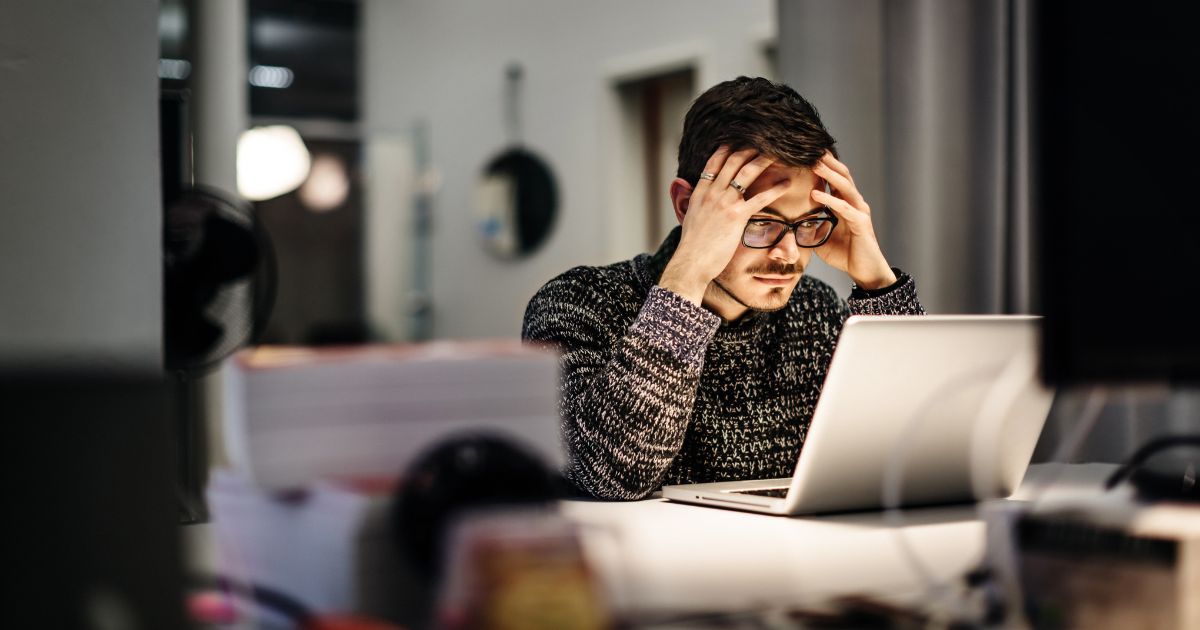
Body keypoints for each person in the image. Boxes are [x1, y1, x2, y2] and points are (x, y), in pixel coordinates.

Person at [521, 76, 924, 500]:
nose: (788, 254)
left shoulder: (816, 311)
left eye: (807, 223)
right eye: (761, 221)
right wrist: (689, 273)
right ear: (685, 206)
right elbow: (613, 477)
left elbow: (918, 449)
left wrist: (879, 285)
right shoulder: (577, 303)